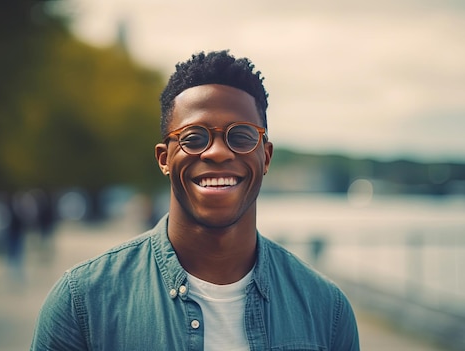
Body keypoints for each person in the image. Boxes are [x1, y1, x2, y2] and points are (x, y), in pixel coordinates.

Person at [30, 50, 360, 350]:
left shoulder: (326, 310)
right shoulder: (83, 302)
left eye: (241, 136)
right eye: (194, 138)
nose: (217, 152)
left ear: (266, 156)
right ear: (163, 158)